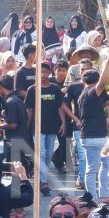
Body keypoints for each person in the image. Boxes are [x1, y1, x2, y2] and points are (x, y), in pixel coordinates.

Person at [72, 59, 109, 198]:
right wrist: (108, 62)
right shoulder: (90, 93)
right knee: (93, 169)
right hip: (93, 137)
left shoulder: (83, 94)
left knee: (103, 166)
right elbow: (104, 81)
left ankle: (102, 195)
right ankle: (92, 197)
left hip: (96, 136)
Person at [25, 62, 67, 195]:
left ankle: (40, 177)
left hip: (52, 127)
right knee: (41, 154)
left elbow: (60, 107)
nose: (43, 75)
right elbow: (30, 110)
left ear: (50, 73)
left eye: (45, 72)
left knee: (48, 155)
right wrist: (26, 127)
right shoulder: (32, 89)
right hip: (37, 128)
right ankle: (43, 181)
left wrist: (63, 122)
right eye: (40, 72)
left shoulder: (55, 89)